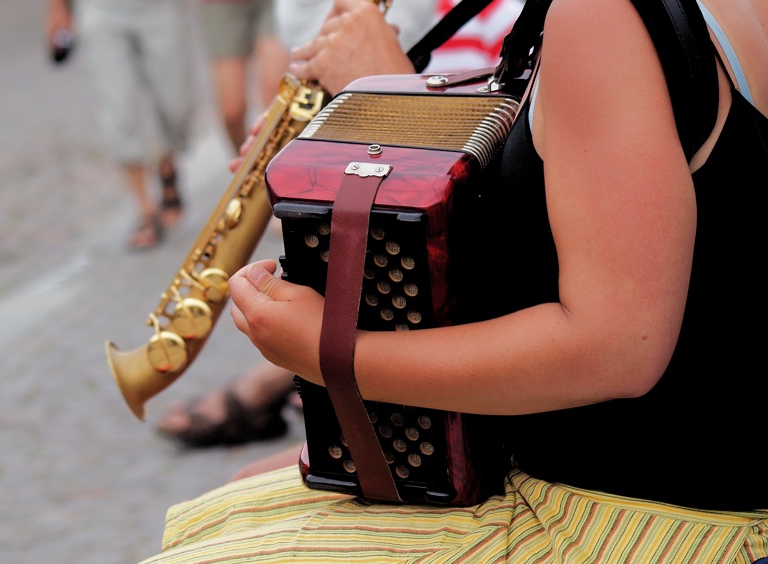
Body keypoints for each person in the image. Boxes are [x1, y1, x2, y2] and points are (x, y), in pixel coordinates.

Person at [41, 0, 768, 564]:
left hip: (639, 547)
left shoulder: (604, 15)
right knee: (215, 519)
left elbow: (617, 345)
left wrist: (324, 350)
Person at [154, 0, 523, 448]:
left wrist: (387, 94)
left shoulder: (565, 22)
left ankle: (283, 384)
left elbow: (502, 223)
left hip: (491, 384)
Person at [45, 0, 197, 250]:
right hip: (101, 11)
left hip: (160, 9)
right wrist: (58, 9)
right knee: (118, 110)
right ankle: (146, 211)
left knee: (175, 104)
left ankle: (167, 167)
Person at [198, 0, 289, 154]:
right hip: (222, 6)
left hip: (274, 4)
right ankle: (248, 167)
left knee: (275, 94)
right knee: (232, 113)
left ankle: (277, 168)